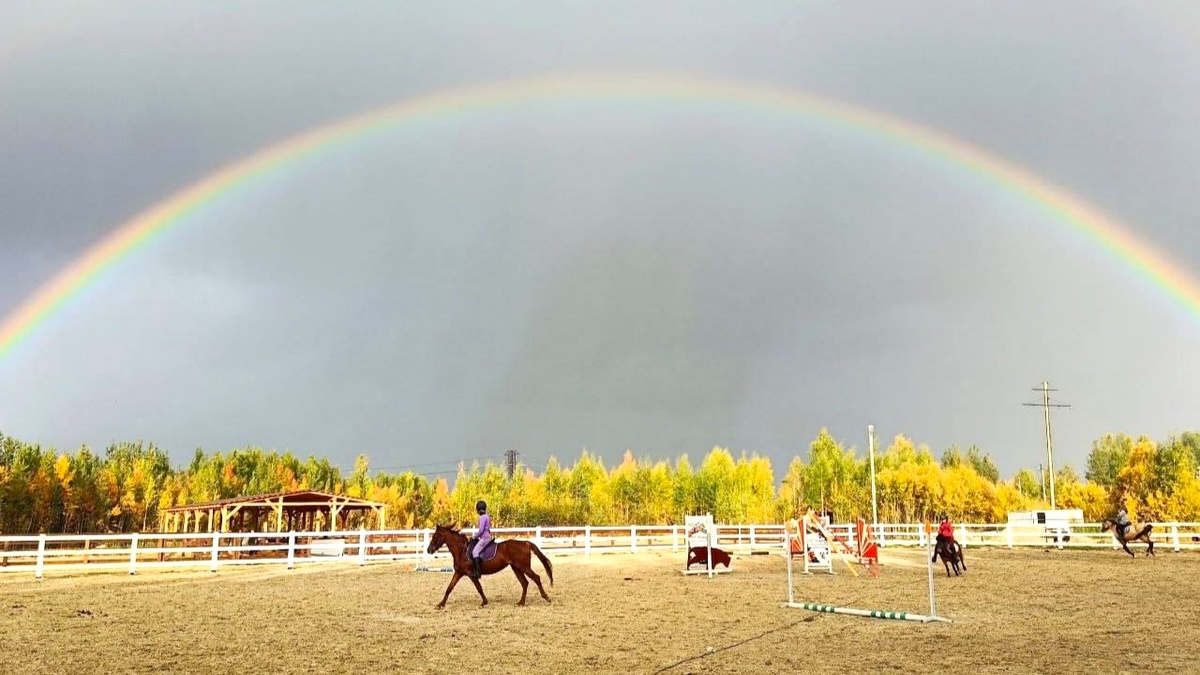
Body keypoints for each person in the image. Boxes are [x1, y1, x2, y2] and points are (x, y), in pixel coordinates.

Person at [469, 500, 492, 579]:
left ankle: (478, 573)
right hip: (488, 536)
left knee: (475, 552)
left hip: (484, 538)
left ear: (478, 509)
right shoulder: (487, 516)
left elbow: (481, 530)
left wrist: (473, 537)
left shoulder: (482, 517)